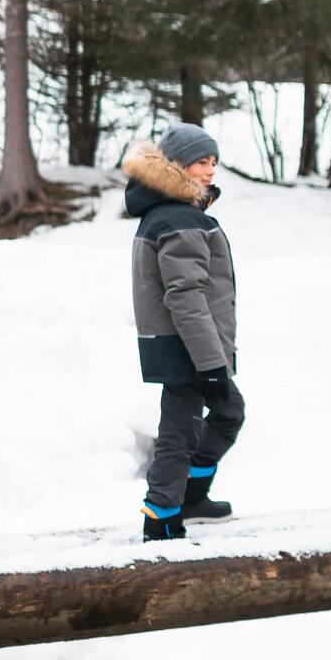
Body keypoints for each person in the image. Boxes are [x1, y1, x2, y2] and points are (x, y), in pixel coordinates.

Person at [123, 121, 244, 541]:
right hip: (188, 348)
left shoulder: (175, 212)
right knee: (181, 431)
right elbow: (186, 297)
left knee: (227, 412)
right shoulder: (179, 218)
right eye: (200, 162)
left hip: (190, 345)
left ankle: (191, 497)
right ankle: (160, 516)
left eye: (213, 162)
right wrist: (212, 364)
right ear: (176, 166)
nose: (210, 171)